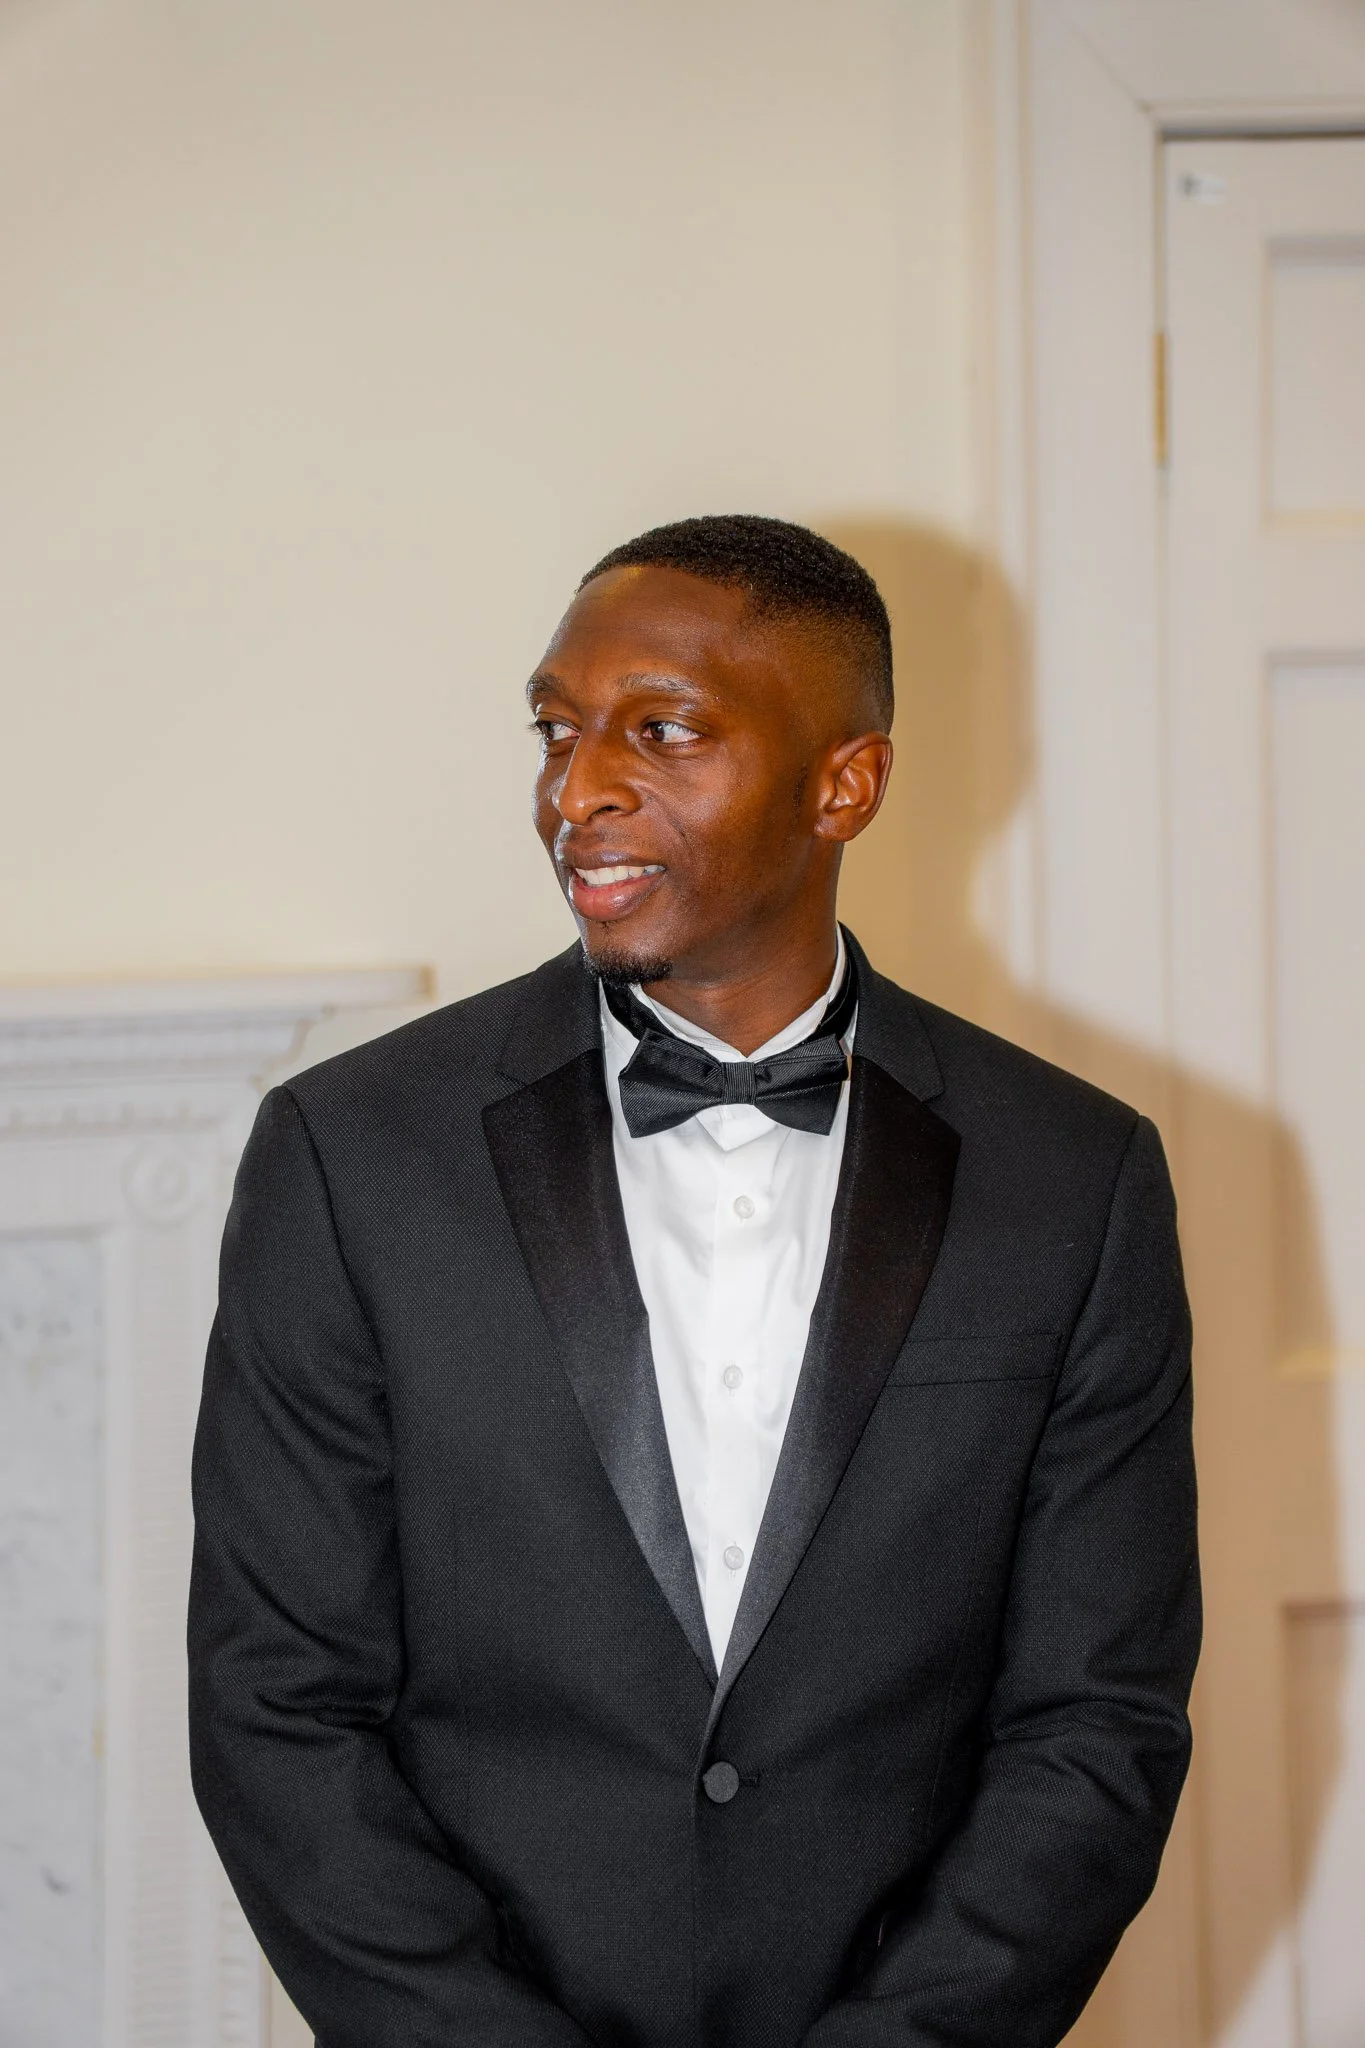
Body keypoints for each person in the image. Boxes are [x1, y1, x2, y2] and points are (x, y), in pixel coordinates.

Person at [189, 515, 1200, 2048]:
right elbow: (276, 1707)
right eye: (556, 728)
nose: (575, 791)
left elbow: (1096, 1724)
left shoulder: (1076, 1177)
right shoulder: (351, 1154)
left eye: (660, 731)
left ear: (844, 782)